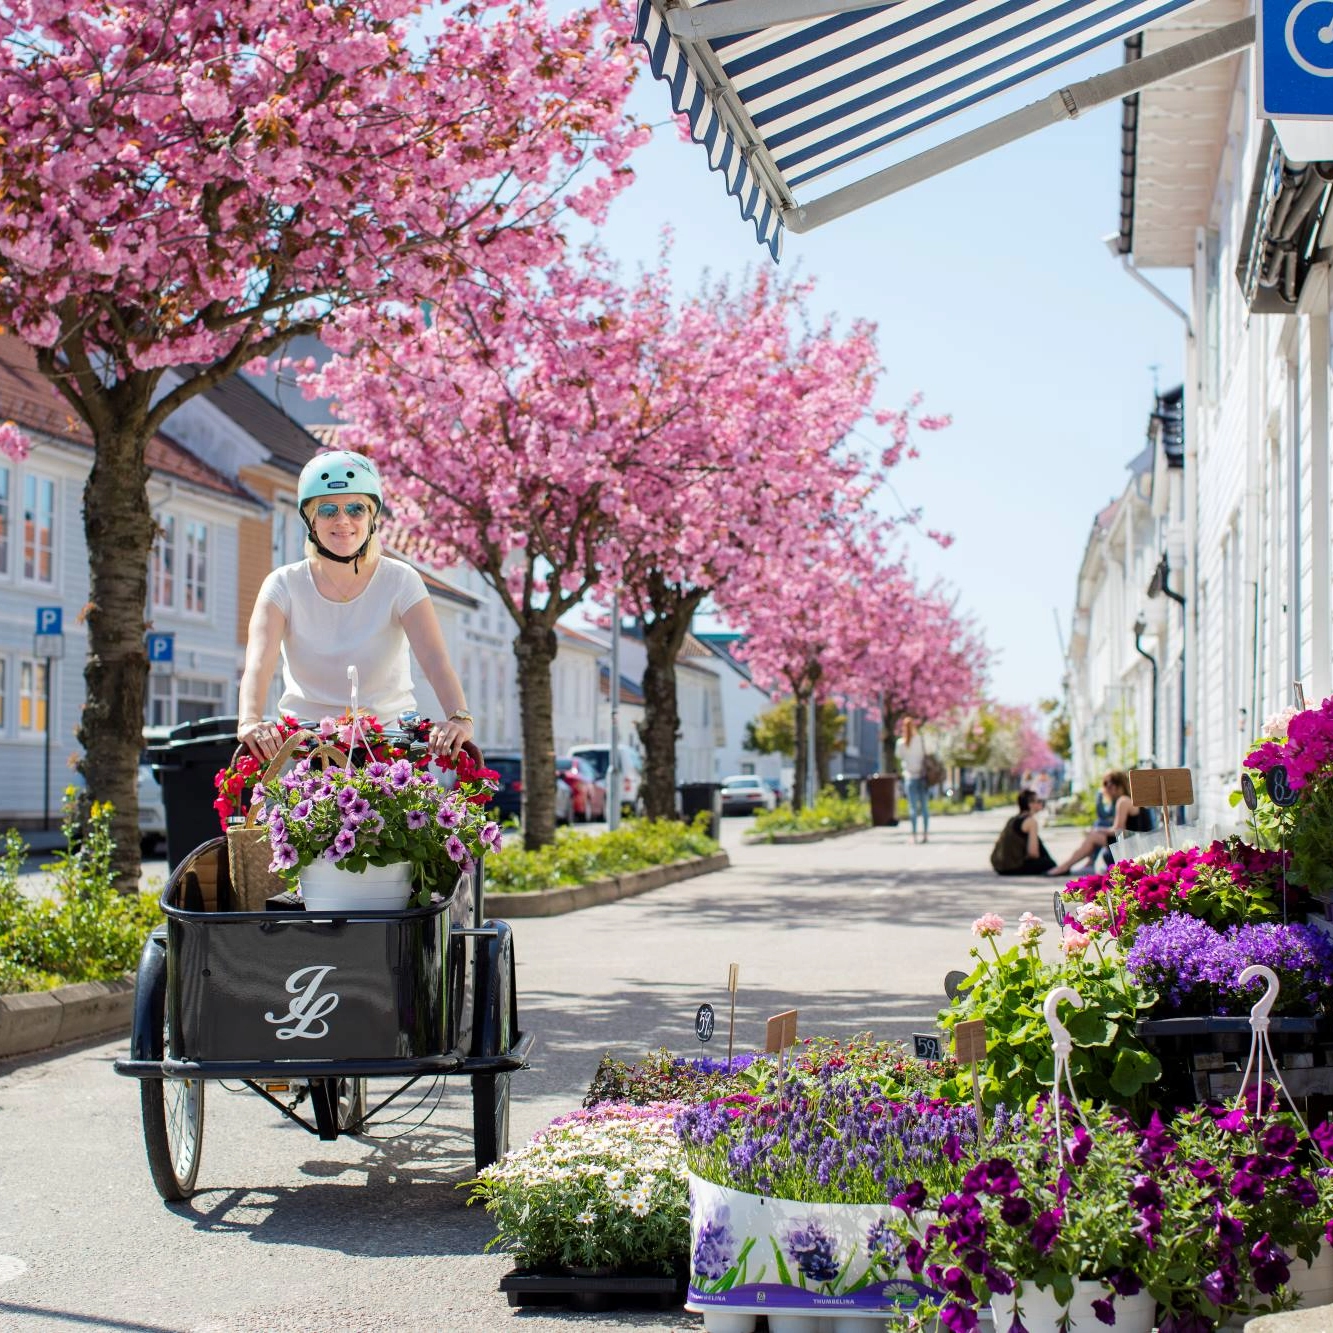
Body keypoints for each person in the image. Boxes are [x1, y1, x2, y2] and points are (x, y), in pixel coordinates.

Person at [237, 451, 474, 765]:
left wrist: (459, 718)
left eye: (355, 508)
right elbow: (258, 664)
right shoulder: (283, 585)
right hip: (309, 748)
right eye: (328, 510)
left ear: (372, 517)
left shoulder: (401, 580)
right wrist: (250, 722)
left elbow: (434, 659)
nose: (342, 520)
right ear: (310, 519)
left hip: (388, 746)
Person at [1048, 769, 1153, 877]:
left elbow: (1117, 829)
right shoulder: (1128, 799)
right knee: (1096, 832)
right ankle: (1079, 865)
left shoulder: (1123, 801)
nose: (1104, 788)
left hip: (1132, 844)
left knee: (1094, 835)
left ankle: (1066, 866)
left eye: (1105, 784)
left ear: (1114, 785)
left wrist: (1097, 830)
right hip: (1136, 841)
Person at [990, 789, 1056, 876]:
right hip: (1014, 867)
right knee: (1049, 864)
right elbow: (1033, 853)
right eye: (1038, 801)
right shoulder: (1031, 822)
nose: (1041, 803)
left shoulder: (1013, 819)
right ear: (1030, 804)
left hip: (1000, 867)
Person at [900, 717, 929, 843]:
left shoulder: (901, 743)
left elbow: (899, 756)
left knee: (912, 807)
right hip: (922, 777)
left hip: (910, 777)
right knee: (924, 807)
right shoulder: (920, 740)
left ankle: (914, 835)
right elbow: (926, 754)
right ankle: (925, 834)